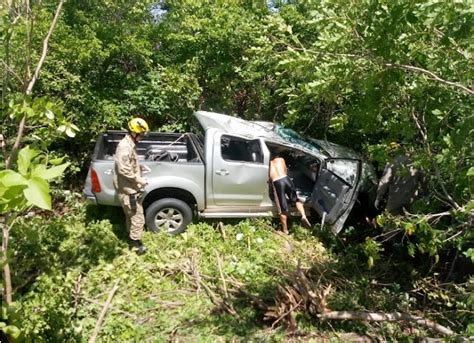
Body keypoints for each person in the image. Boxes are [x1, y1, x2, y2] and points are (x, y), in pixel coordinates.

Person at [114, 117, 151, 254]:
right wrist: (139, 180)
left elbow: (129, 163)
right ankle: (136, 245)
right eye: (141, 135)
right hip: (129, 189)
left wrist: (140, 167)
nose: (142, 138)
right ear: (134, 133)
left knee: (131, 215)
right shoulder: (125, 147)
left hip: (129, 187)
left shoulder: (129, 144)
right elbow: (123, 169)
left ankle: (130, 236)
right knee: (137, 217)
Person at [269, 153, 311, 234]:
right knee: (296, 200)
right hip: (286, 179)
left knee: (282, 208)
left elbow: (270, 178)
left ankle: (285, 230)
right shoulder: (281, 159)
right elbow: (285, 171)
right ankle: (303, 216)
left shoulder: (269, 164)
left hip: (277, 182)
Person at [375, 150, 423, 215]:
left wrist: (378, 197)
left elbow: (385, 182)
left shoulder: (393, 162)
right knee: (412, 220)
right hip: (411, 198)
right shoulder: (417, 163)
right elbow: (423, 180)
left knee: (391, 220)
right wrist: (426, 194)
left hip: (395, 199)